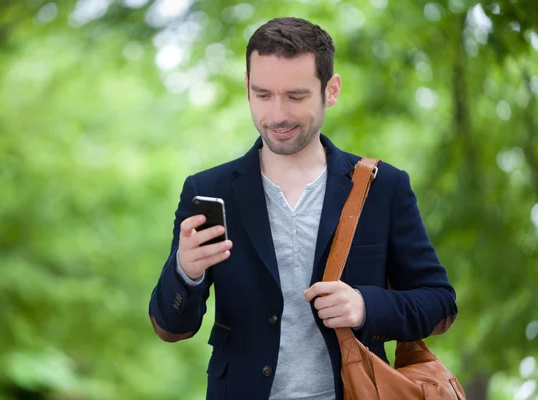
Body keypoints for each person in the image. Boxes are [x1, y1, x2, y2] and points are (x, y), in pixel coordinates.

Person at [148, 16, 458, 400]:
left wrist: (365, 306)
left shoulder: (384, 187)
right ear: (247, 87)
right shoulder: (208, 190)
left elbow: (440, 303)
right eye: (263, 95)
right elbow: (170, 326)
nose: (277, 115)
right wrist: (186, 272)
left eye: (295, 97)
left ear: (331, 90)